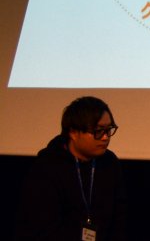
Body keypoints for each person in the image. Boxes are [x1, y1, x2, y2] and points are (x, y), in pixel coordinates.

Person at [14, 96, 127, 241]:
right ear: (73, 133)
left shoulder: (109, 163)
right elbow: (40, 226)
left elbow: (119, 218)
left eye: (109, 129)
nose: (105, 137)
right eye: (98, 131)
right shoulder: (47, 166)